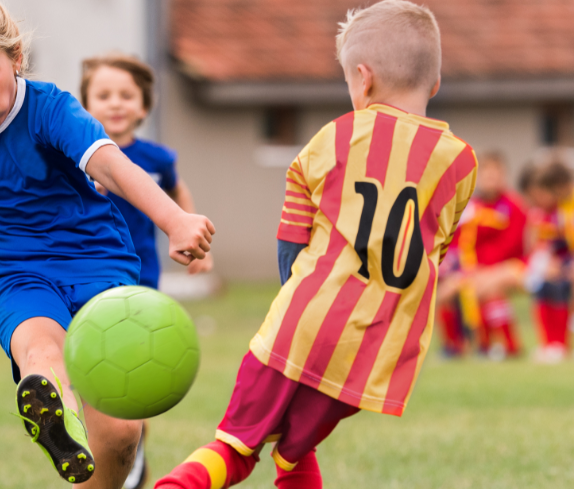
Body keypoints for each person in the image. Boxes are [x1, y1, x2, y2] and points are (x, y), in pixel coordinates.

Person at [0, 1, 215, 487]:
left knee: (120, 432)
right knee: (40, 349)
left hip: (96, 264)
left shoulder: (52, 111)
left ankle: (76, 432)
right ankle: (50, 409)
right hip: (15, 273)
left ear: (16, 58)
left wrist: (174, 219)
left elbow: (112, 165)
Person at [155, 1, 477, 488]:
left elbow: (291, 244)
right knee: (292, 450)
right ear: (434, 84)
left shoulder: (334, 139)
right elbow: (435, 254)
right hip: (373, 350)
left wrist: (293, 305)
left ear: (362, 79)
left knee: (237, 448)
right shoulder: (461, 164)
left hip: (303, 328)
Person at [79, 53, 214, 489]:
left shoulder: (155, 158)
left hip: (141, 285)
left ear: (143, 106)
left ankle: (131, 457)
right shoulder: (77, 156)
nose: (115, 103)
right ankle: (99, 444)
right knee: (93, 372)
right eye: (103, 95)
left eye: (126, 96)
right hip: (85, 279)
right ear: (85, 105)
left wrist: (197, 242)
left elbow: (178, 190)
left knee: (132, 379)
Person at [436, 152, 527, 358]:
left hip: (511, 265)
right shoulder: (469, 207)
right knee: (446, 291)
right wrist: (455, 267)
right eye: (486, 174)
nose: (490, 179)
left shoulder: (514, 206)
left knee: (488, 287)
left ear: (503, 175)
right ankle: (454, 347)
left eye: (495, 174)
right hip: (472, 270)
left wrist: (481, 269)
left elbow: (512, 245)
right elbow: (457, 243)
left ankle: (507, 345)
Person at [521, 157, 574, 363]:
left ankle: (561, 343)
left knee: (561, 285)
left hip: (567, 266)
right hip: (560, 264)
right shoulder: (550, 213)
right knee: (543, 285)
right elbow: (543, 245)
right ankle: (549, 344)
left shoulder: (567, 210)